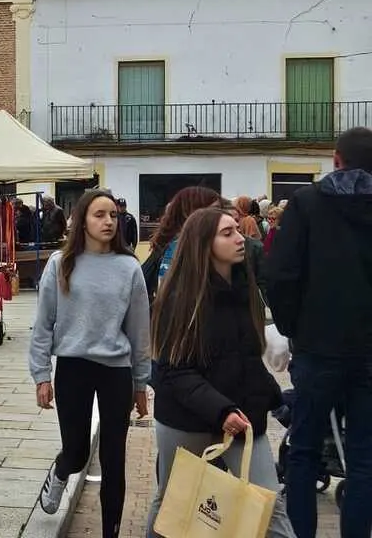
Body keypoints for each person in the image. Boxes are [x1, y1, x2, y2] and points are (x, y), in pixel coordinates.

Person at [145, 207, 292, 538]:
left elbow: (246, 357)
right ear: (203, 244)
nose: (241, 239)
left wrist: (273, 396)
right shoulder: (179, 297)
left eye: (238, 230)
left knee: (270, 502)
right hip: (185, 420)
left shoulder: (245, 290)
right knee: (174, 500)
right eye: (228, 233)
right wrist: (221, 410)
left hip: (242, 416)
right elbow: (174, 371)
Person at [266, 126, 372, 538]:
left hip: (317, 347)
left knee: (304, 451)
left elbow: (281, 274)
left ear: (336, 159)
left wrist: (294, 330)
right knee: (364, 456)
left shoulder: (307, 203)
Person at [28, 189, 149, 538]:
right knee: (78, 451)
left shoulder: (129, 267)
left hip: (116, 371)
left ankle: (110, 531)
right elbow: (43, 324)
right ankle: (61, 470)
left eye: (112, 215)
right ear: (82, 220)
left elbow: (140, 331)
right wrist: (41, 375)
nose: (109, 221)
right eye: (100, 214)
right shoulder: (59, 263)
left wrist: (141, 383)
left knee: (114, 458)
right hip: (73, 367)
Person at [140, 185, 222, 298]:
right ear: (192, 213)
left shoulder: (200, 245)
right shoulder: (178, 249)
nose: (220, 216)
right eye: (214, 210)